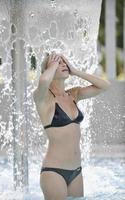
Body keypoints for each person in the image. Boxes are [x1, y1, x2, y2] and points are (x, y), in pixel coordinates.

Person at [33, 51, 111, 200]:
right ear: (48, 69)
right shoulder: (43, 98)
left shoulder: (73, 94)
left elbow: (105, 86)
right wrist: (51, 65)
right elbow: (43, 81)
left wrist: (75, 71)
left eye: (64, 62)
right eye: (57, 62)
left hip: (76, 171)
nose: (62, 64)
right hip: (54, 172)